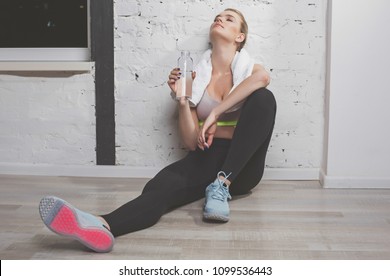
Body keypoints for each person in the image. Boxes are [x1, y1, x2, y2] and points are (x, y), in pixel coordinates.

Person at [39, 8, 276, 253]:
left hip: (241, 170)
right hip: (206, 157)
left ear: (240, 37)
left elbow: (263, 79)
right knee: (161, 186)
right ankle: (101, 224)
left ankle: (222, 183)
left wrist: (215, 113)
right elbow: (191, 142)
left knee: (264, 99)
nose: (220, 19)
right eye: (218, 16)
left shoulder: (250, 70)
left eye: (230, 19)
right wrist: (182, 97)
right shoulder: (196, 77)